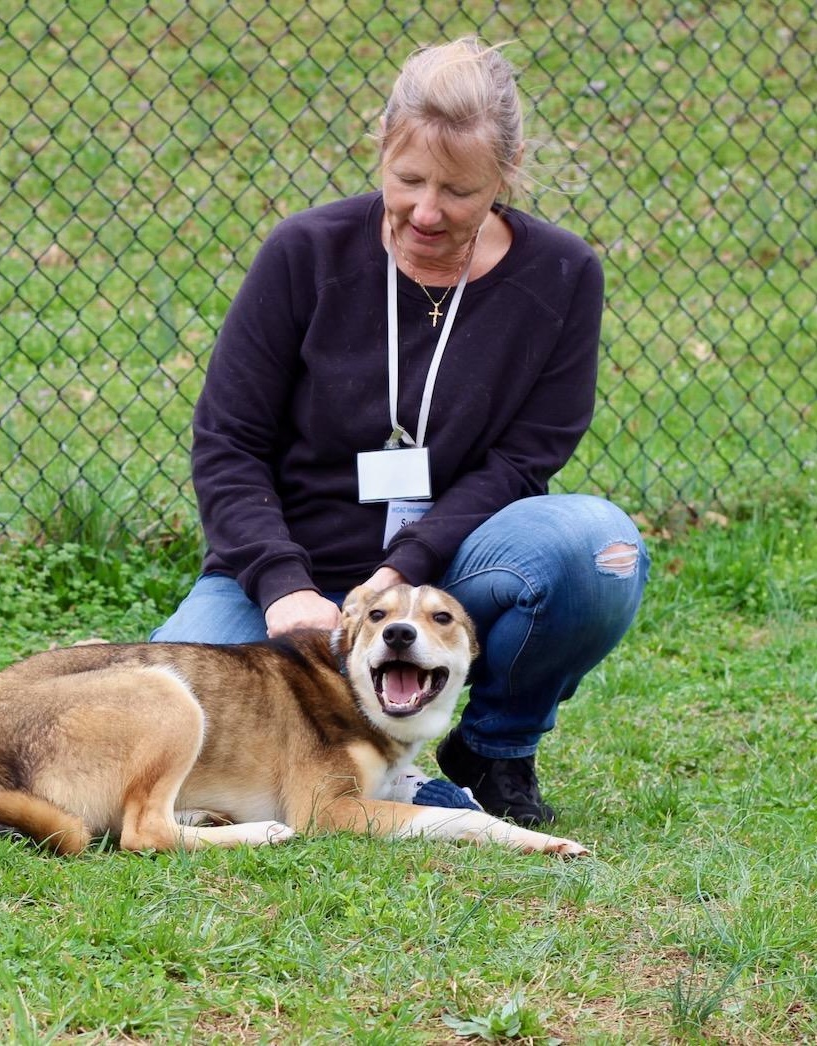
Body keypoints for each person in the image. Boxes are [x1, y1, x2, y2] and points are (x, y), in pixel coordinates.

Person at [151, 36, 648, 827]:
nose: (426, 211)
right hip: (292, 578)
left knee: (599, 551)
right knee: (167, 721)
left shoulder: (562, 274)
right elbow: (227, 442)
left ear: (506, 178)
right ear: (381, 149)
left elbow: (525, 458)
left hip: (450, 569)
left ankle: (494, 752)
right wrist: (283, 588)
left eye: (459, 190)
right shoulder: (303, 253)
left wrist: (405, 568)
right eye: (408, 180)